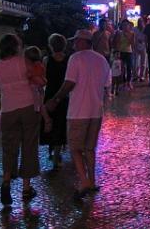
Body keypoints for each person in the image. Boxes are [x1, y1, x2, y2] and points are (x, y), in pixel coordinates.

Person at [45, 29, 111, 200]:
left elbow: (69, 83)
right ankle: (92, 180)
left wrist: (55, 99)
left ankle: (84, 182)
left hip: (78, 111)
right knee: (90, 148)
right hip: (96, 111)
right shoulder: (101, 59)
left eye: (76, 41)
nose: (73, 45)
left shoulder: (76, 59)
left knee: (75, 148)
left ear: (83, 42)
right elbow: (106, 84)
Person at [0, 34, 41, 206]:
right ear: (15, 47)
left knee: (9, 147)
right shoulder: (23, 62)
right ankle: (26, 188)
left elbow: (0, 88)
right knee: (28, 145)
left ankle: (6, 181)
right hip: (27, 106)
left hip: (8, 110)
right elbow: (36, 79)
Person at [41, 33, 69, 170]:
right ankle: (57, 154)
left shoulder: (47, 60)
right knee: (61, 124)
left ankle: (51, 152)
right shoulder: (68, 60)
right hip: (64, 95)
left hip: (50, 95)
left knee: (51, 124)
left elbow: (43, 77)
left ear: (51, 45)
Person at [24, 46, 53, 134]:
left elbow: (33, 77)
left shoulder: (34, 66)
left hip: (35, 89)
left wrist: (29, 75)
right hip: (39, 89)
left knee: (39, 106)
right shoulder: (40, 64)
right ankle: (45, 119)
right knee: (40, 105)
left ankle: (47, 120)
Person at [113, 20, 135, 89]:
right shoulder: (118, 33)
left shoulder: (132, 33)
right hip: (121, 52)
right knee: (121, 68)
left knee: (129, 67)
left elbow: (132, 43)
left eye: (126, 25)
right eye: (123, 25)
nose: (125, 26)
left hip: (128, 52)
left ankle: (129, 82)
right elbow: (116, 43)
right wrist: (116, 52)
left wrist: (127, 35)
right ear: (121, 26)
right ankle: (123, 82)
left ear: (129, 26)